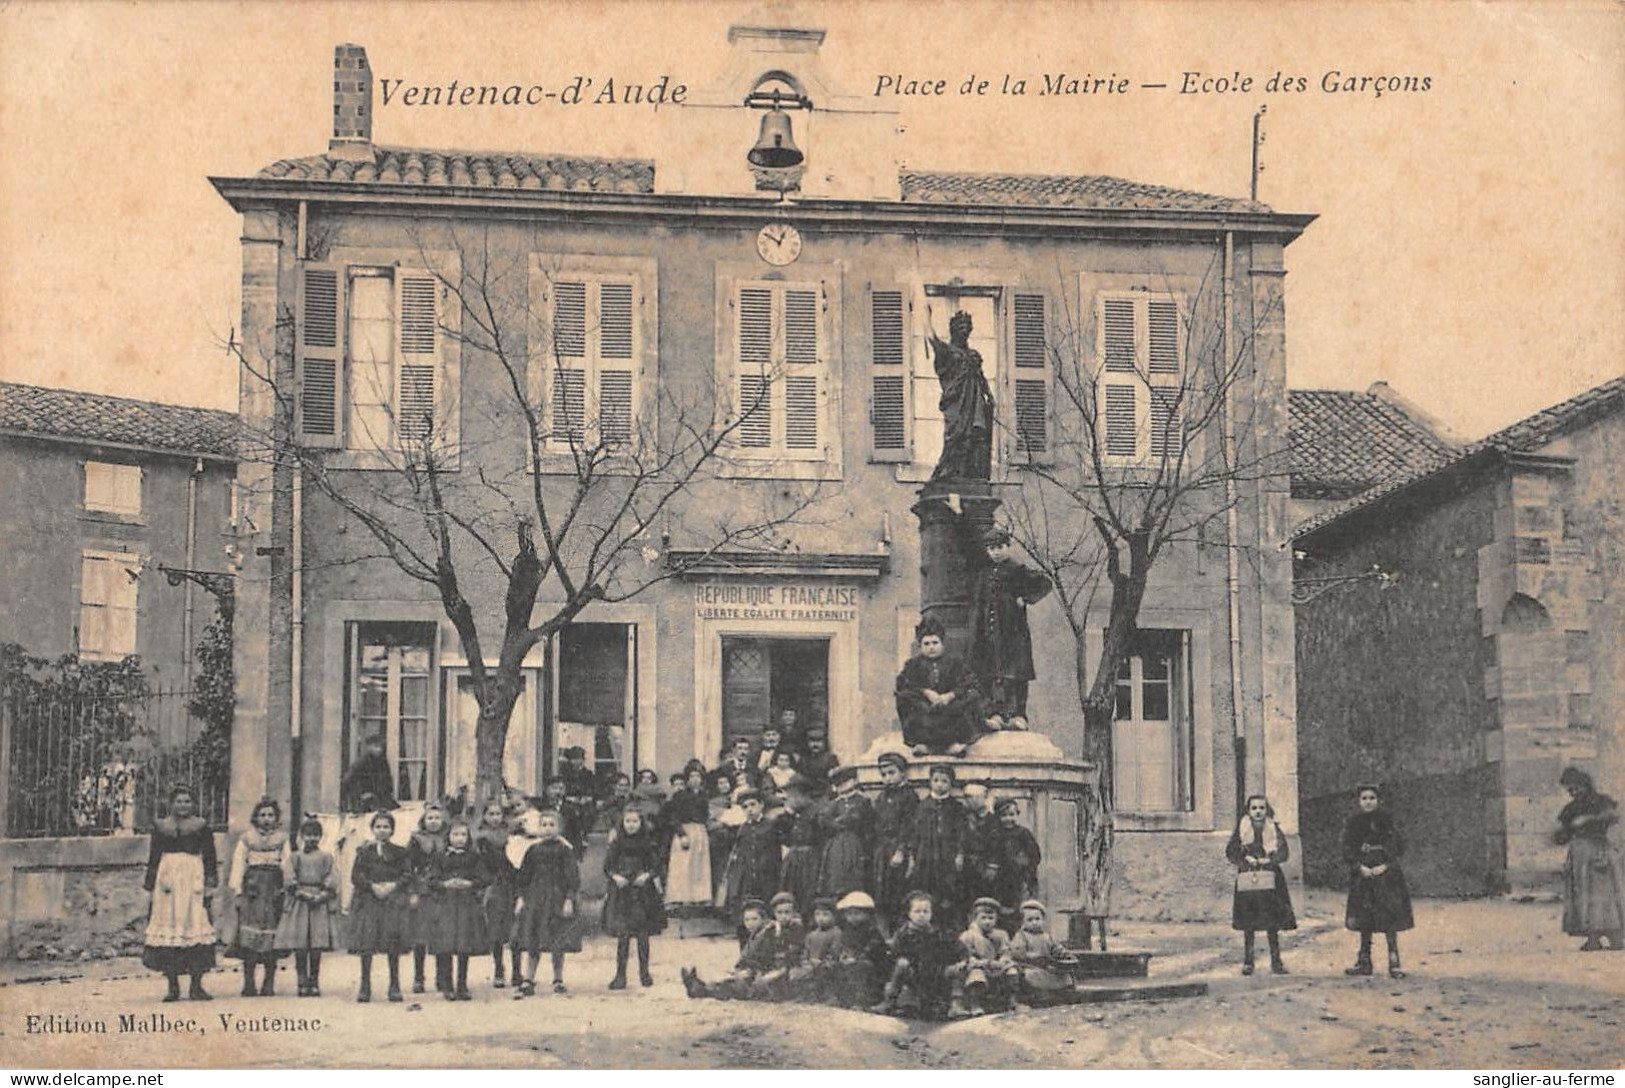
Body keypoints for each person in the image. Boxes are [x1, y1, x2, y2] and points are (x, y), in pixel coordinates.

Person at [968, 528, 1053, 731]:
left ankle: (1018, 715)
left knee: (1016, 672)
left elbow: (1045, 582)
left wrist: (1026, 599)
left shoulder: (1017, 569)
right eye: (991, 549)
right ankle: (996, 713)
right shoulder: (985, 572)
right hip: (990, 634)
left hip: (1013, 633)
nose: (995, 552)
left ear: (1007, 547)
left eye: (999, 547)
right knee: (993, 672)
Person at [142, 784, 219, 1002]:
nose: (183, 805)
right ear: (171, 803)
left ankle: (196, 986)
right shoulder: (161, 826)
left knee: (196, 926)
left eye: (187, 801)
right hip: (168, 883)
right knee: (170, 929)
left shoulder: (201, 826)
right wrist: (149, 885)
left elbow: (210, 857)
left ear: (193, 804)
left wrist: (210, 884)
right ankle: (173, 986)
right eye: (179, 801)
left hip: (193, 879)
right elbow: (154, 857)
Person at [1341, 784, 1415, 979]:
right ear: (1359, 802)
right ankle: (1364, 960)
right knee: (1365, 918)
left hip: (1387, 875)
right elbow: (1347, 848)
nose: (1368, 802)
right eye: (1364, 798)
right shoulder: (1353, 823)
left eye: (1372, 798)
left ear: (1378, 800)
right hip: (1363, 875)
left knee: (1389, 916)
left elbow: (1398, 846)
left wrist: (1386, 865)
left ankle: (1394, 961)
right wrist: (1359, 867)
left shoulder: (1387, 821)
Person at [223, 796, 288, 997]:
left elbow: (286, 864)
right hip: (253, 890)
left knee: (272, 936)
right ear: (256, 817)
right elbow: (239, 865)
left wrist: (286, 887)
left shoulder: (282, 839)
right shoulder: (247, 838)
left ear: (276, 818)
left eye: (270, 815)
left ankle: (269, 983)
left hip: (273, 890)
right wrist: (238, 891)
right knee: (248, 936)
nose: (266, 819)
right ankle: (249, 983)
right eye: (262, 815)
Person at [512, 809, 581, 997]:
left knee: (557, 940)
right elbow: (524, 877)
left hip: (557, 899)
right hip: (536, 899)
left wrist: (569, 899)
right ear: (539, 827)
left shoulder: (565, 851)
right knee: (533, 938)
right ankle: (529, 978)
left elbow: (572, 878)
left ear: (559, 828)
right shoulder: (533, 850)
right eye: (544, 825)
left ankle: (558, 978)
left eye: (552, 825)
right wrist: (521, 898)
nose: (548, 829)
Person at [1226, 793, 1296, 976]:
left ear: (1267, 810)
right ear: (1248, 811)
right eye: (1254, 808)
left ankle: (1276, 961)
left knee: (1272, 922)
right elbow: (1231, 852)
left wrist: (1269, 860)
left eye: (1261, 808)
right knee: (1249, 923)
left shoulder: (1273, 828)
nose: (1258, 812)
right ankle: (1248, 962)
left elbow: (1284, 852)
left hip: (1270, 880)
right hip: (1249, 878)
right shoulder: (1242, 829)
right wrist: (1244, 858)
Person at [1555, 767, 1624, 951]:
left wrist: (1587, 820)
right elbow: (1563, 834)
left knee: (1606, 894)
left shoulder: (1601, 801)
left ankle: (1616, 937)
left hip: (1600, 850)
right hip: (1579, 856)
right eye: (1570, 789)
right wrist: (1561, 834)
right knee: (1583, 894)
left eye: (1576, 787)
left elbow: (1612, 817)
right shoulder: (1570, 809)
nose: (1573, 792)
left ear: (1585, 784)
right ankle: (1592, 937)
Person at [923, 305, 994, 483]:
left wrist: (989, 396)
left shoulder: (973, 355)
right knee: (955, 436)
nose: (964, 331)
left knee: (974, 437)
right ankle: (947, 472)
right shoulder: (948, 352)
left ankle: (969, 474)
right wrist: (926, 318)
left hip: (974, 404)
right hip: (956, 403)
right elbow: (932, 340)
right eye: (960, 327)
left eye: (967, 328)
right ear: (953, 330)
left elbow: (981, 378)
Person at [274, 814, 340, 997]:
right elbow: (288, 877)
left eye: (316, 835)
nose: (312, 838)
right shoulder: (295, 857)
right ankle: (301, 981)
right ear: (301, 836)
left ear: (321, 837)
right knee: (300, 945)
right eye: (308, 834)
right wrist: (298, 892)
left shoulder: (327, 857)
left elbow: (332, 877)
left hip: (318, 903)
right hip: (300, 902)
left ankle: (314, 981)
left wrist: (323, 894)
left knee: (316, 945)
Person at [895, 617, 979, 756]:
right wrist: (925, 692)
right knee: (904, 698)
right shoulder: (912, 665)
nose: (931, 647)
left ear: (942, 644)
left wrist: (950, 696)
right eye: (926, 644)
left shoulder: (955, 663)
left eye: (935, 642)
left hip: (950, 706)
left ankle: (953, 744)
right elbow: (904, 685)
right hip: (925, 708)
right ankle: (923, 744)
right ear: (920, 646)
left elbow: (968, 682)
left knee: (971, 695)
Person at [349, 809, 410, 1003]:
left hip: (392, 901)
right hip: (369, 899)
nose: (382, 830)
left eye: (386, 827)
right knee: (367, 943)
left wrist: (393, 885)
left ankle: (394, 985)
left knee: (392, 941)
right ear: (372, 829)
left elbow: (407, 874)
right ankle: (365, 986)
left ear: (392, 830)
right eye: (378, 826)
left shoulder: (400, 852)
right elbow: (356, 875)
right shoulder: (364, 852)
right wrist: (372, 886)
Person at [602, 807, 666, 989]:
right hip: (622, 893)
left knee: (642, 934)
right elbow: (607, 867)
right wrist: (616, 877)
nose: (631, 825)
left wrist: (646, 876)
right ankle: (620, 975)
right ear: (622, 824)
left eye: (635, 821)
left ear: (641, 823)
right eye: (628, 821)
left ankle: (644, 973)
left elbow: (656, 866)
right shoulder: (616, 844)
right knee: (623, 935)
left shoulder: (648, 843)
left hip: (642, 893)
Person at [907, 763, 974, 933]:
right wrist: (912, 856)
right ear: (930, 782)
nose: (939, 785)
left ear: (951, 784)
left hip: (947, 856)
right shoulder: (922, 806)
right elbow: (914, 833)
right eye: (936, 780)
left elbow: (962, 833)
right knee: (927, 891)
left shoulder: (956, 807)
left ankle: (950, 931)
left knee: (949, 892)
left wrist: (959, 853)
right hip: (926, 856)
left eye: (944, 781)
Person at [873, 890, 959, 1019]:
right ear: (909, 914)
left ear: (931, 914)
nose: (922, 915)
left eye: (926, 912)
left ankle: (953, 1004)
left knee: (953, 972)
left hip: (933, 974)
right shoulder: (903, 933)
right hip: (911, 974)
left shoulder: (937, 934)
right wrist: (901, 959)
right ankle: (889, 1001)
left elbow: (950, 950)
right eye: (917, 911)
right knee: (901, 965)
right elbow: (894, 953)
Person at [432, 821, 489, 1000]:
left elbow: (485, 877)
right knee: (446, 944)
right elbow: (431, 879)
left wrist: (470, 883)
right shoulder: (440, 857)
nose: (459, 839)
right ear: (448, 837)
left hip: (466, 904)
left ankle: (462, 984)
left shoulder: (474, 857)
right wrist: (444, 884)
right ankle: (447, 984)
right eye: (455, 835)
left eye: (463, 835)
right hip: (446, 903)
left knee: (464, 944)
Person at [718, 788, 786, 931]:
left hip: (768, 878)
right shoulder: (743, 829)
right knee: (747, 914)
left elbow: (777, 855)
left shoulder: (771, 826)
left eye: (753, 804)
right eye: (745, 807)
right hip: (748, 879)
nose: (750, 809)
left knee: (767, 913)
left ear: (761, 805)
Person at [679, 899, 770, 1001]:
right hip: (748, 973)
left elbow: (765, 960)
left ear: (763, 919)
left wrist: (750, 971)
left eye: (754, 919)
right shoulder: (753, 936)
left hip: (759, 976)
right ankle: (700, 986)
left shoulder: (766, 937)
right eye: (747, 920)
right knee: (724, 981)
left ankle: (699, 990)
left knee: (730, 987)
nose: (750, 923)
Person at [473, 799, 521, 989]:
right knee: (496, 929)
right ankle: (498, 968)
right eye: (490, 814)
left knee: (515, 928)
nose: (495, 818)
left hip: (512, 883)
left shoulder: (511, 835)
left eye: (498, 814)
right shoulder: (480, 838)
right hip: (493, 885)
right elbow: (479, 864)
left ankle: (517, 970)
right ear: (484, 816)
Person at [406, 800, 451, 995]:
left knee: (442, 936)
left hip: (443, 890)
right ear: (423, 820)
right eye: (430, 818)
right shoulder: (417, 839)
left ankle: (442, 977)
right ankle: (419, 977)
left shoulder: (450, 837)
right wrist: (413, 892)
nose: (433, 822)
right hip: (423, 888)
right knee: (421, 936)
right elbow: (408, 867)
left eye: (437, 818)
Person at [948, 897, 1019, 1017]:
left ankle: (1012, 1001)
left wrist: (1003, 960)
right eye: (983, 918)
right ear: (975, 919)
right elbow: (966, 956)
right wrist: (979, 962)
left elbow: (1006, 952)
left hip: (996, 966)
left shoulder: (1001, 935)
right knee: (976, 975)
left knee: (1012, 970)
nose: (987, 922)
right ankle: (975, 1004)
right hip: (978, 966)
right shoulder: (968, 935)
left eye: (991, 918)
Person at [871, 751, 920, 925]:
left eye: (892, 773)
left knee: (899, 892)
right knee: (882, 893)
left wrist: (901, 850)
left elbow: (910, 826)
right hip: (882, 850)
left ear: (902, 773)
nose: (887, 778)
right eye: (884, 775)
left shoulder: (909, 796)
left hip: (898, 849)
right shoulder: (882, 797)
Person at [981, 798, 1042, 931]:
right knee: (999, 909)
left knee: (1019, 909)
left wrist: (1025, 865)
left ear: (1017, 815)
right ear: (998, 817)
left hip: (1019, 879)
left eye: (1012, 815)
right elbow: (989, 854)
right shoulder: (995, 835)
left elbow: (1035, 855)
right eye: (1004, 815)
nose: (1009, 819)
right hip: (999, 881)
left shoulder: (1023, 834)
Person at [664, 765, 714, 916]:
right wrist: (681, 834)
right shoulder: (680, 796)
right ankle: (678, 898)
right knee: (682, 865)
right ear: (687, 779)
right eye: (692, 776)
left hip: (700, 831)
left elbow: (706, 816)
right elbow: (673, 818)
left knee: (699, 865)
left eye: (698, 776)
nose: (695, 780)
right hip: (685, 831)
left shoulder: (704, 796)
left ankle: (699, 898)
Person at [817, 765, 873, 901]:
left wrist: (838, 821)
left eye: (845, 781)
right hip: (836, 845)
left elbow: (857, 819)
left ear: (854, 781)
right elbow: (824, 820)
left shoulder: (862, 800)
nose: (842, 786)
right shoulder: (835, 803)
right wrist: (837, 822)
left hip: (855, 844)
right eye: (838, 784)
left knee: (853, 878)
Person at [1008, 900, 1078, 1006]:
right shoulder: (1021, 936)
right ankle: (1037, 997)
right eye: (1030, 920)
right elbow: (1018, 953)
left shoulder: (1047, 937)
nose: (1035, 922)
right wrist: (1035, 958)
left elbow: (1057, 949)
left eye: (1037, 919)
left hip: (1048, 967)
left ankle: (1064, 996)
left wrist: (1065, 955)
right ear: (1023, 922)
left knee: (1065, 976)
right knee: (1031, 976)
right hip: (1031, 966)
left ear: (1043, 920)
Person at [831, 890, 891, 1009]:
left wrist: (857, 957)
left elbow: (873, 948)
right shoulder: (848, 931)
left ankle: (862, 1001)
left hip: (873, 966)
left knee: (862, 967)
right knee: (836, 966)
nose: (853, 918)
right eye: (849, 914)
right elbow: (845, 945)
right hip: (853, 960)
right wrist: (843, 955)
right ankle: (840, 998)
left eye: (857, 914)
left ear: (867, 914)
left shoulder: (871, 931)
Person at [779, 777, 824, 922]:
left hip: (809, 862)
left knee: (807, 898)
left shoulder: (816, 812)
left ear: (800, 795)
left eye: (791, 796)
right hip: (795, 860)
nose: (788, 801)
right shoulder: (796, 814)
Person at [707, 770, 744, 900]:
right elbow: (710, 824)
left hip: (736, 839)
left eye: (726, 782)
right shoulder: (712, 802)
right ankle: (719, 901)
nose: (724, 785)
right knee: (720, 871)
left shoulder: (737, 798)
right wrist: (725, 823)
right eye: (720, 783)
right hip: (720, 841)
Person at [341, 734, 397, 814]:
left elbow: (388, 781)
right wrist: (360, 795)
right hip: (366, 802)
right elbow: (347, 781)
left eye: (381, 747)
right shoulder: (361, 763)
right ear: (368, 747)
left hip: (381, 799)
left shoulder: (383, 762)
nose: (379, 749)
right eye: (376, 746)